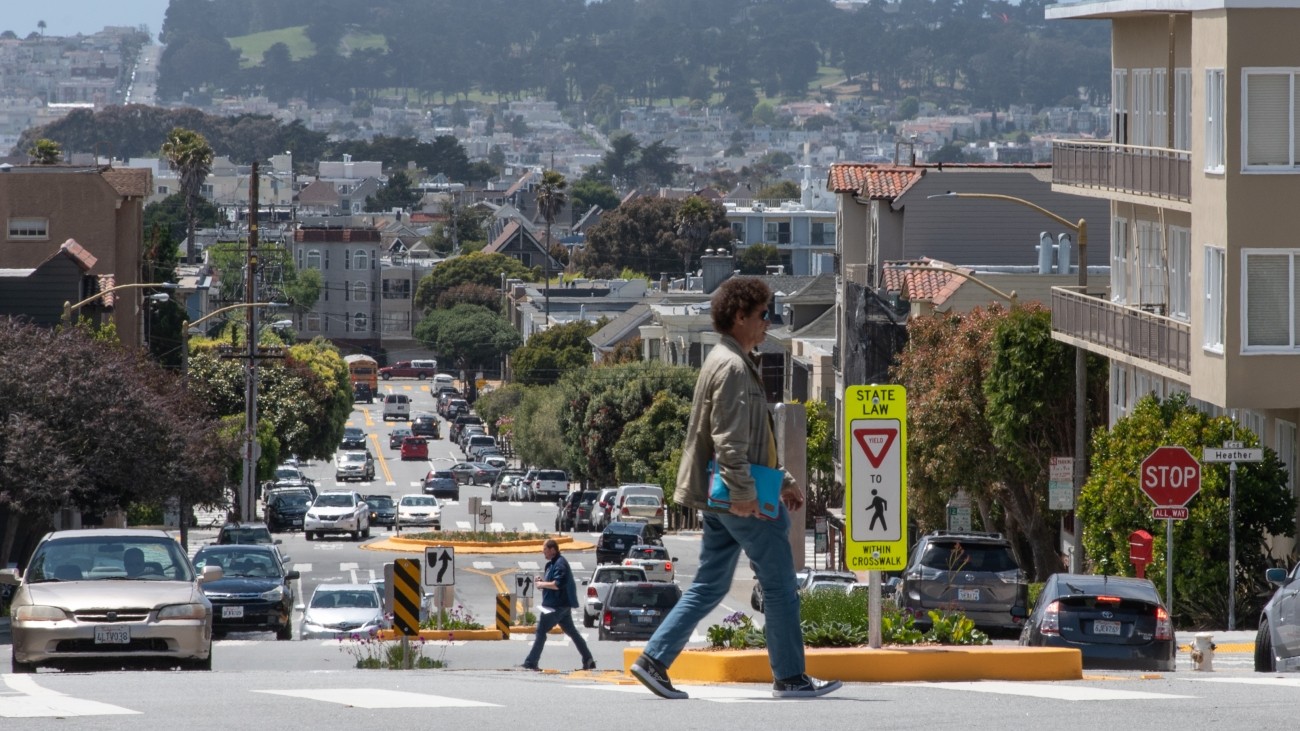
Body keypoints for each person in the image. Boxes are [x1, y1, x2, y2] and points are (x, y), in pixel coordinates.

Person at [630, 276, 841, 700]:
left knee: (709, 585)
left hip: (723, 498)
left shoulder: (726, 360)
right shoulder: (731, 368)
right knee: (781, 588)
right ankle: (791, 677)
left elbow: (747, 438)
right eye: (763, 314)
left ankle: (654, 659)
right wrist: (747, 496)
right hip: (741, 501)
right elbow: (729, 441)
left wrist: (781, 480)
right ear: (739, 316)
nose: (769, 322)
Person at [521, 538, 596, 671]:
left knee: (541, 630)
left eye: (545, 550)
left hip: (557, 607)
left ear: (552, 550)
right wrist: (542, 582)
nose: (543, 553)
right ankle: (588, 659)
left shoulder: (560, 563)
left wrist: (541, 584)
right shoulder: (551, 564)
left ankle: (531, 662)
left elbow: (558, 584)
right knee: (573, 633)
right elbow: (551, 582)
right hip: (560, 606)